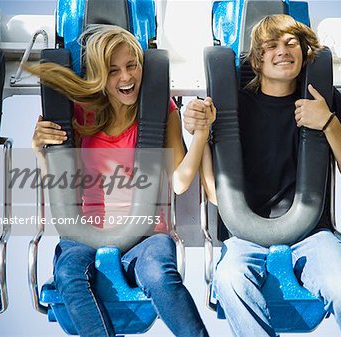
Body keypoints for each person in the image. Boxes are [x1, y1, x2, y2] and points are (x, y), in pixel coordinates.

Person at [184, 14, 341, 337]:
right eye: (271, 45)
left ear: (304, 52)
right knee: (230, 280)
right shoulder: (233, 105)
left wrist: (328, 122)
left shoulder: (323, 99)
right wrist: (201, 131)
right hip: (245, 236)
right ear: (257, 60)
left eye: (291, 44)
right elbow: (217, 195)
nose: (282, 51)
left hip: (313, 235)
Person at [29, 24, 214, 337]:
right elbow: (60, 187)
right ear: (100, 76)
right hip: (86, 232)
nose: (126, 78)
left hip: (146, 235)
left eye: (132, 66)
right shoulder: (78, 113)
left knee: (157, 272)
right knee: (68, 272)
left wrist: (202, 134)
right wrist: (40, 152)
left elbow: (180, 182)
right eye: (113, 71)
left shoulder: (160, 110)